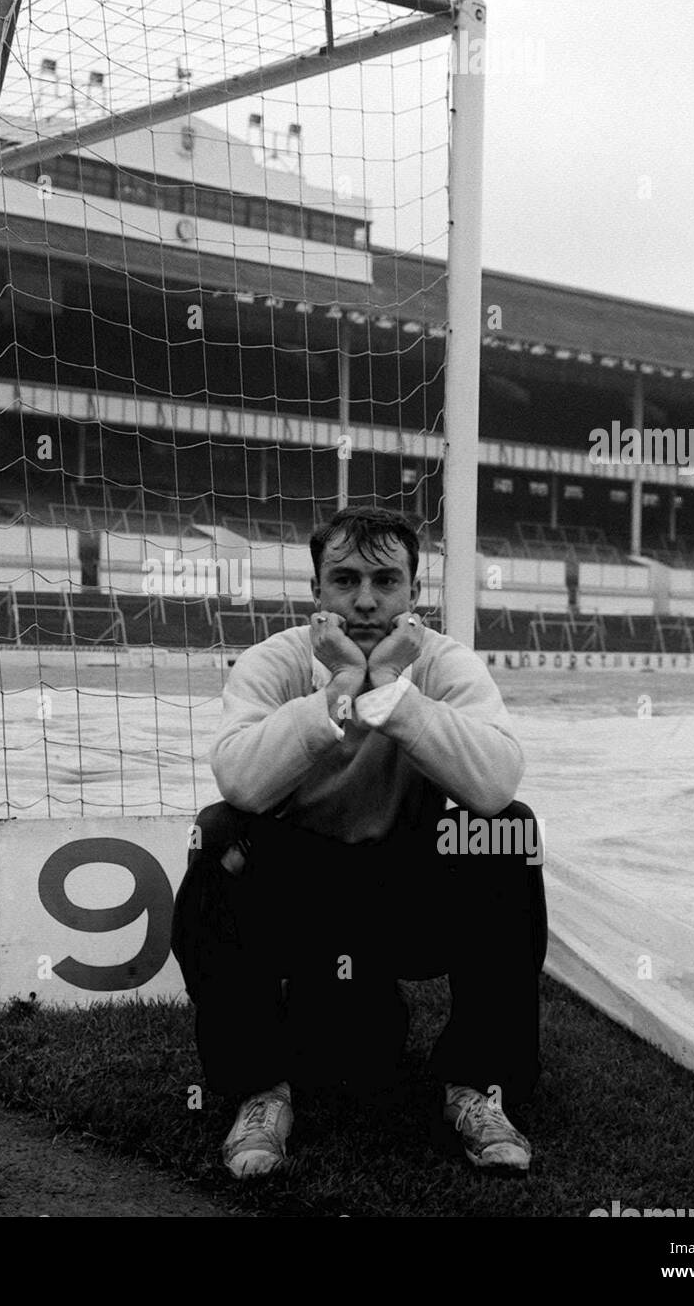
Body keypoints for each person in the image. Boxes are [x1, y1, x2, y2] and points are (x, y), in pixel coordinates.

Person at [171, 505, 548, 1179]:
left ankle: (475, 1083)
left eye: (385, 581)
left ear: (414, 595)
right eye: (344, 580)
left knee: (506, 831)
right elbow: (241, 781)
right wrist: (340, 690)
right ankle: (261, 1089)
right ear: (316, 593)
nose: (366, 600)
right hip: (304, 898)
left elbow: (494, 784)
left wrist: (391, 692)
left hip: (409, 895)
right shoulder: (277, 660)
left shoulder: (445, 662)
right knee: (218, 835)